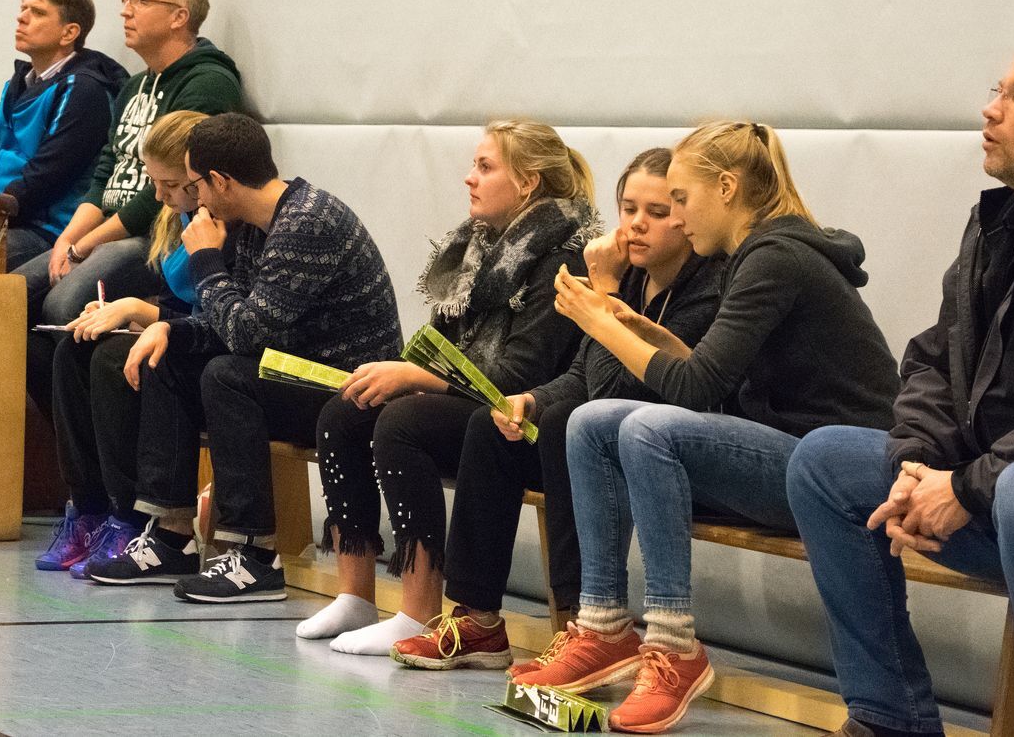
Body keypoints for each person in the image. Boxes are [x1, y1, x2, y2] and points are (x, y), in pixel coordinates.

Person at [785, 41, 1014, 737]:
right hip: (1010, 495)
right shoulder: (1000, 220)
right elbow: (936, 359)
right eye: (998, 89)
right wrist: (915, 463)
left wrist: (967, 487)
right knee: (828, 461)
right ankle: (890, 716)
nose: (991, 109)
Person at [514, 120, 899, 734]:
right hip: (787, 453)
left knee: (649, 429)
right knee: (590, 421)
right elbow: (705, 372)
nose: (680, 216)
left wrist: (600, 322)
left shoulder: (776, 258)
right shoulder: (755, 254)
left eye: (682, 200)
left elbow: (695, 392)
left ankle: (672, 645)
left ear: (726, 188)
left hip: (832, 470)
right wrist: (630, 321)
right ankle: (604, 626)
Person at [389, 147, 721, 671]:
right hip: (603, 441)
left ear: (687, 215)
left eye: (657, 212)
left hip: (661, 451)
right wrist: (529, 400)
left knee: (574, 423)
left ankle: (584, 625)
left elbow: (616, 396)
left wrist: (604, 293)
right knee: (493, 424)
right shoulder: (632, 274)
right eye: (628, 208)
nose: (636, 225)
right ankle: (478, 619)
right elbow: (580, 377)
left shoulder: (706, 289)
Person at [296, 120, 599, 653]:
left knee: (404, 420)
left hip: (524, 419)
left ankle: (418, 610)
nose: (468, 178)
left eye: (485, 167)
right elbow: (435, 346)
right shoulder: (476, 247)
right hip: (476, 402)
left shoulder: (563, 256)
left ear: (528, 182)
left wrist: (415, 379)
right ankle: (357, 594)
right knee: (345, 411)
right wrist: (397, 374)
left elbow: (520, 374)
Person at [87, 113, 403, 604]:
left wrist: (207, 261)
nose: (195, 202)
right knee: (167, 357)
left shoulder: (306, 222)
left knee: (227, 375)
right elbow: (232, 322)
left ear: (220, 181)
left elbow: (245, 335)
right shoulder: (257, 223)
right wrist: (168, 327)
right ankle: (171, 536)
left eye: (195, 185)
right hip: (291, 366)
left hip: (348, 386)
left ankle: (255, 555)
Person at [14, 0, 242, 411]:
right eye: (125, 0)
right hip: (110, 230)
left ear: (179, 16)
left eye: (140, 1)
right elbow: (106, 173)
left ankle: (94, 435)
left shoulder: (209, 82)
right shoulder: (134, 85)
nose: (125, 11)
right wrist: (69, 238)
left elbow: (164, 195)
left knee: (63, 309)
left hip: (157, 234)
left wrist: (85, 245)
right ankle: (65, 438)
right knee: (6, 299)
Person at [35, 110, 210, 576]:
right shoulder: (175, 218)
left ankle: (128, 515)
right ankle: (87, 508)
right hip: (178, 332)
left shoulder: (222, 224)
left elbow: (215, 316)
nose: (159, 195)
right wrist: (119, 315)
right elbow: (176, 301)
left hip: (209, 344)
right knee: (75, 346)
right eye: (154, 182)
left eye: (170, 184)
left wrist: (135, 310)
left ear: (201, 178)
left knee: (113, 359)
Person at [0, 0, 126, 270]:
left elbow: (47, 178)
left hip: (47, 229)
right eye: (23, 8)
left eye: (37, 12)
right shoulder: (17, 84)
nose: (21, 17)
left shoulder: (84, 90)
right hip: (3, 218)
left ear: (69, 33)